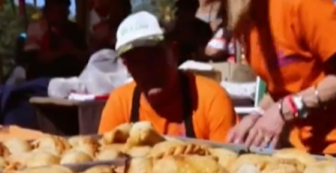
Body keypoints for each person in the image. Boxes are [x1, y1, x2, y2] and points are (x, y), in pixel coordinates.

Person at [152, 0, 336, 162]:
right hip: (308, 147)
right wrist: (257, 115)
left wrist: (285, 111)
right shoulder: (245, 16)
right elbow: (284, 86)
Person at [98, 11, 236, 142]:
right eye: (135, 61)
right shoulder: (120, 103)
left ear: (174, 52)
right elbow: (105, 160)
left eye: (153, 56)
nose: (146, 68)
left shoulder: (210, 98)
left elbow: (228, 161)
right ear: (126, 66)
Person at [24, 0, 88, 79]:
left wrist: (73, 50)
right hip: (42, 79)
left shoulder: (75, 29)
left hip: (71, 78)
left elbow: (85, 58)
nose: (63, 15)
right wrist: (61, 51)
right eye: (58, 11)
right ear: (46, 12)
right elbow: (35, 58)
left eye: (65, 11)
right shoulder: (36, 28)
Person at [165, 0, 214, 64]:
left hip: (197, 66)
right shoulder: (169, 28)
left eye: (187, 9)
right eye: (181, 8)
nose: (179, 11)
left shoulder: (203, 27)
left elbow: (207, 50)